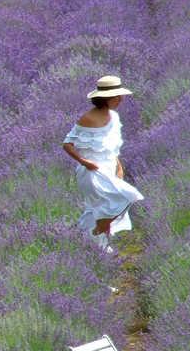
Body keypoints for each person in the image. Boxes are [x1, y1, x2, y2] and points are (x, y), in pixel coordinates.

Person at [62, 76, 144, 253]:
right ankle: (95, 233)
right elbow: (67, 145)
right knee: (127, 196)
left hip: (109, 169)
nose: (120, 100)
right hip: (92, 173)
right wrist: (85, 162)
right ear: (106, 98)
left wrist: (118, 166)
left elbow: (112, 147)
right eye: (117, 97)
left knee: (97, 210)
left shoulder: (113, 117)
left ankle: (95, 250)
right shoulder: (88, 119)